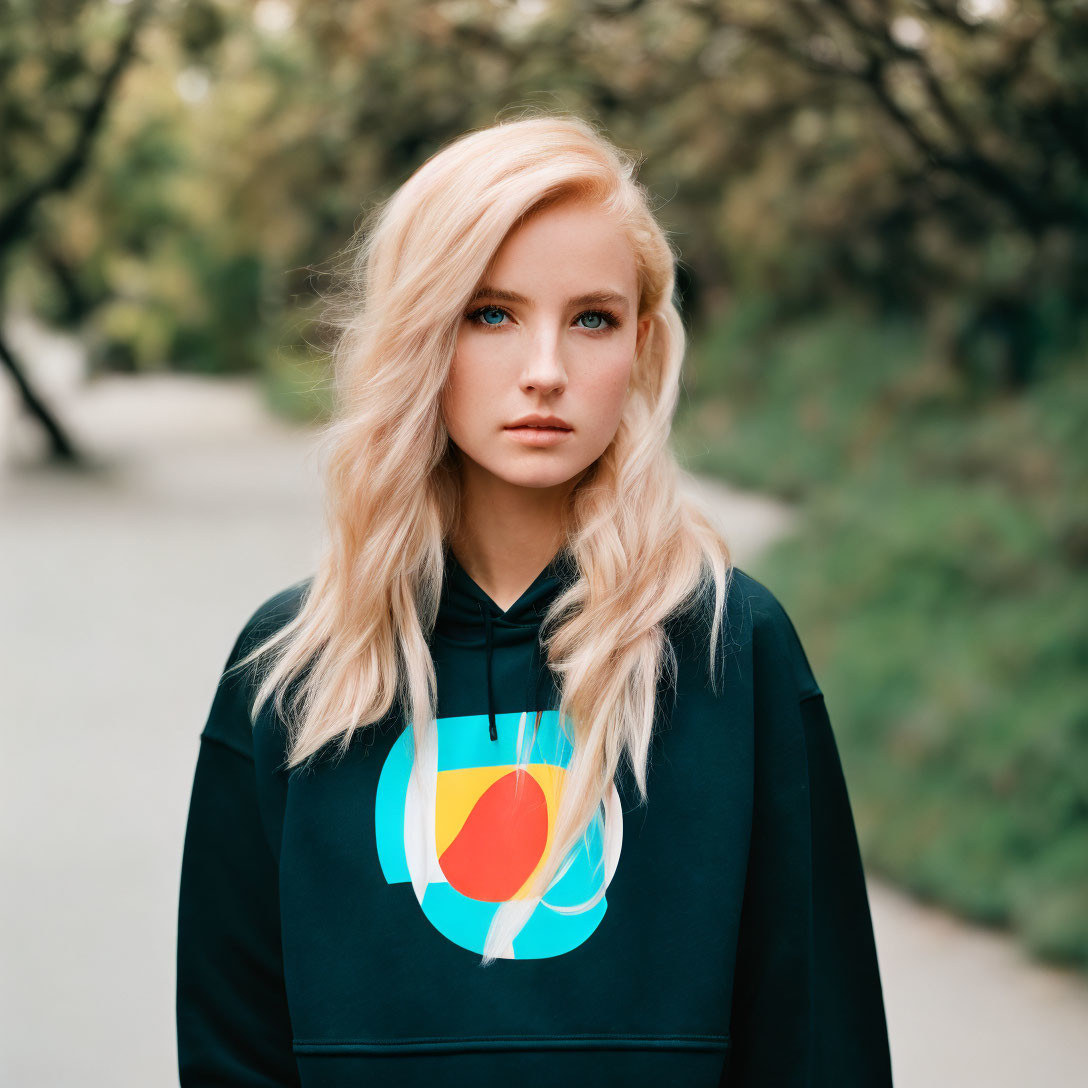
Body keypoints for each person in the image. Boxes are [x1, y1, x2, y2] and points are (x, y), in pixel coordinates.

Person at [176, 111, 893, 1087]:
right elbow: (232, 1053)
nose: (545, 369)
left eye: (590, 318)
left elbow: (819, 1044)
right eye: (491, 312)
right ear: (421, 330)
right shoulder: (290, 670)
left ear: (639, 347)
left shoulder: (732, 647)